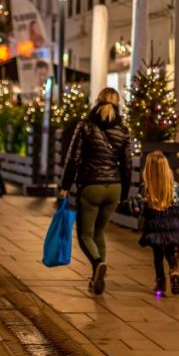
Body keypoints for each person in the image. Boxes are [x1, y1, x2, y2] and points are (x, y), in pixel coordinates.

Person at [59, 87, 132, 296]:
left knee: (85, 235)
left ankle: (98, 264)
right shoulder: (123, 130)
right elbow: (126, 165)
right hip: (114, 188)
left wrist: (65, 186)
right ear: (117, 103)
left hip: (91, 186)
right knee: (99, 232)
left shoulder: (86, 125)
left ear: (98, 101)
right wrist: (124, 194)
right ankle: (96, 278)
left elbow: (73, 158)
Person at [132, 152, 179, 297]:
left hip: (154, 226)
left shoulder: (146, 189)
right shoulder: (174, 188)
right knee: (170, 252)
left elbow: (139, 209)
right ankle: (175, 272)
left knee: (157, 255)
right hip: (172, 225)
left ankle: (160, 282)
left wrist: (136, 207)